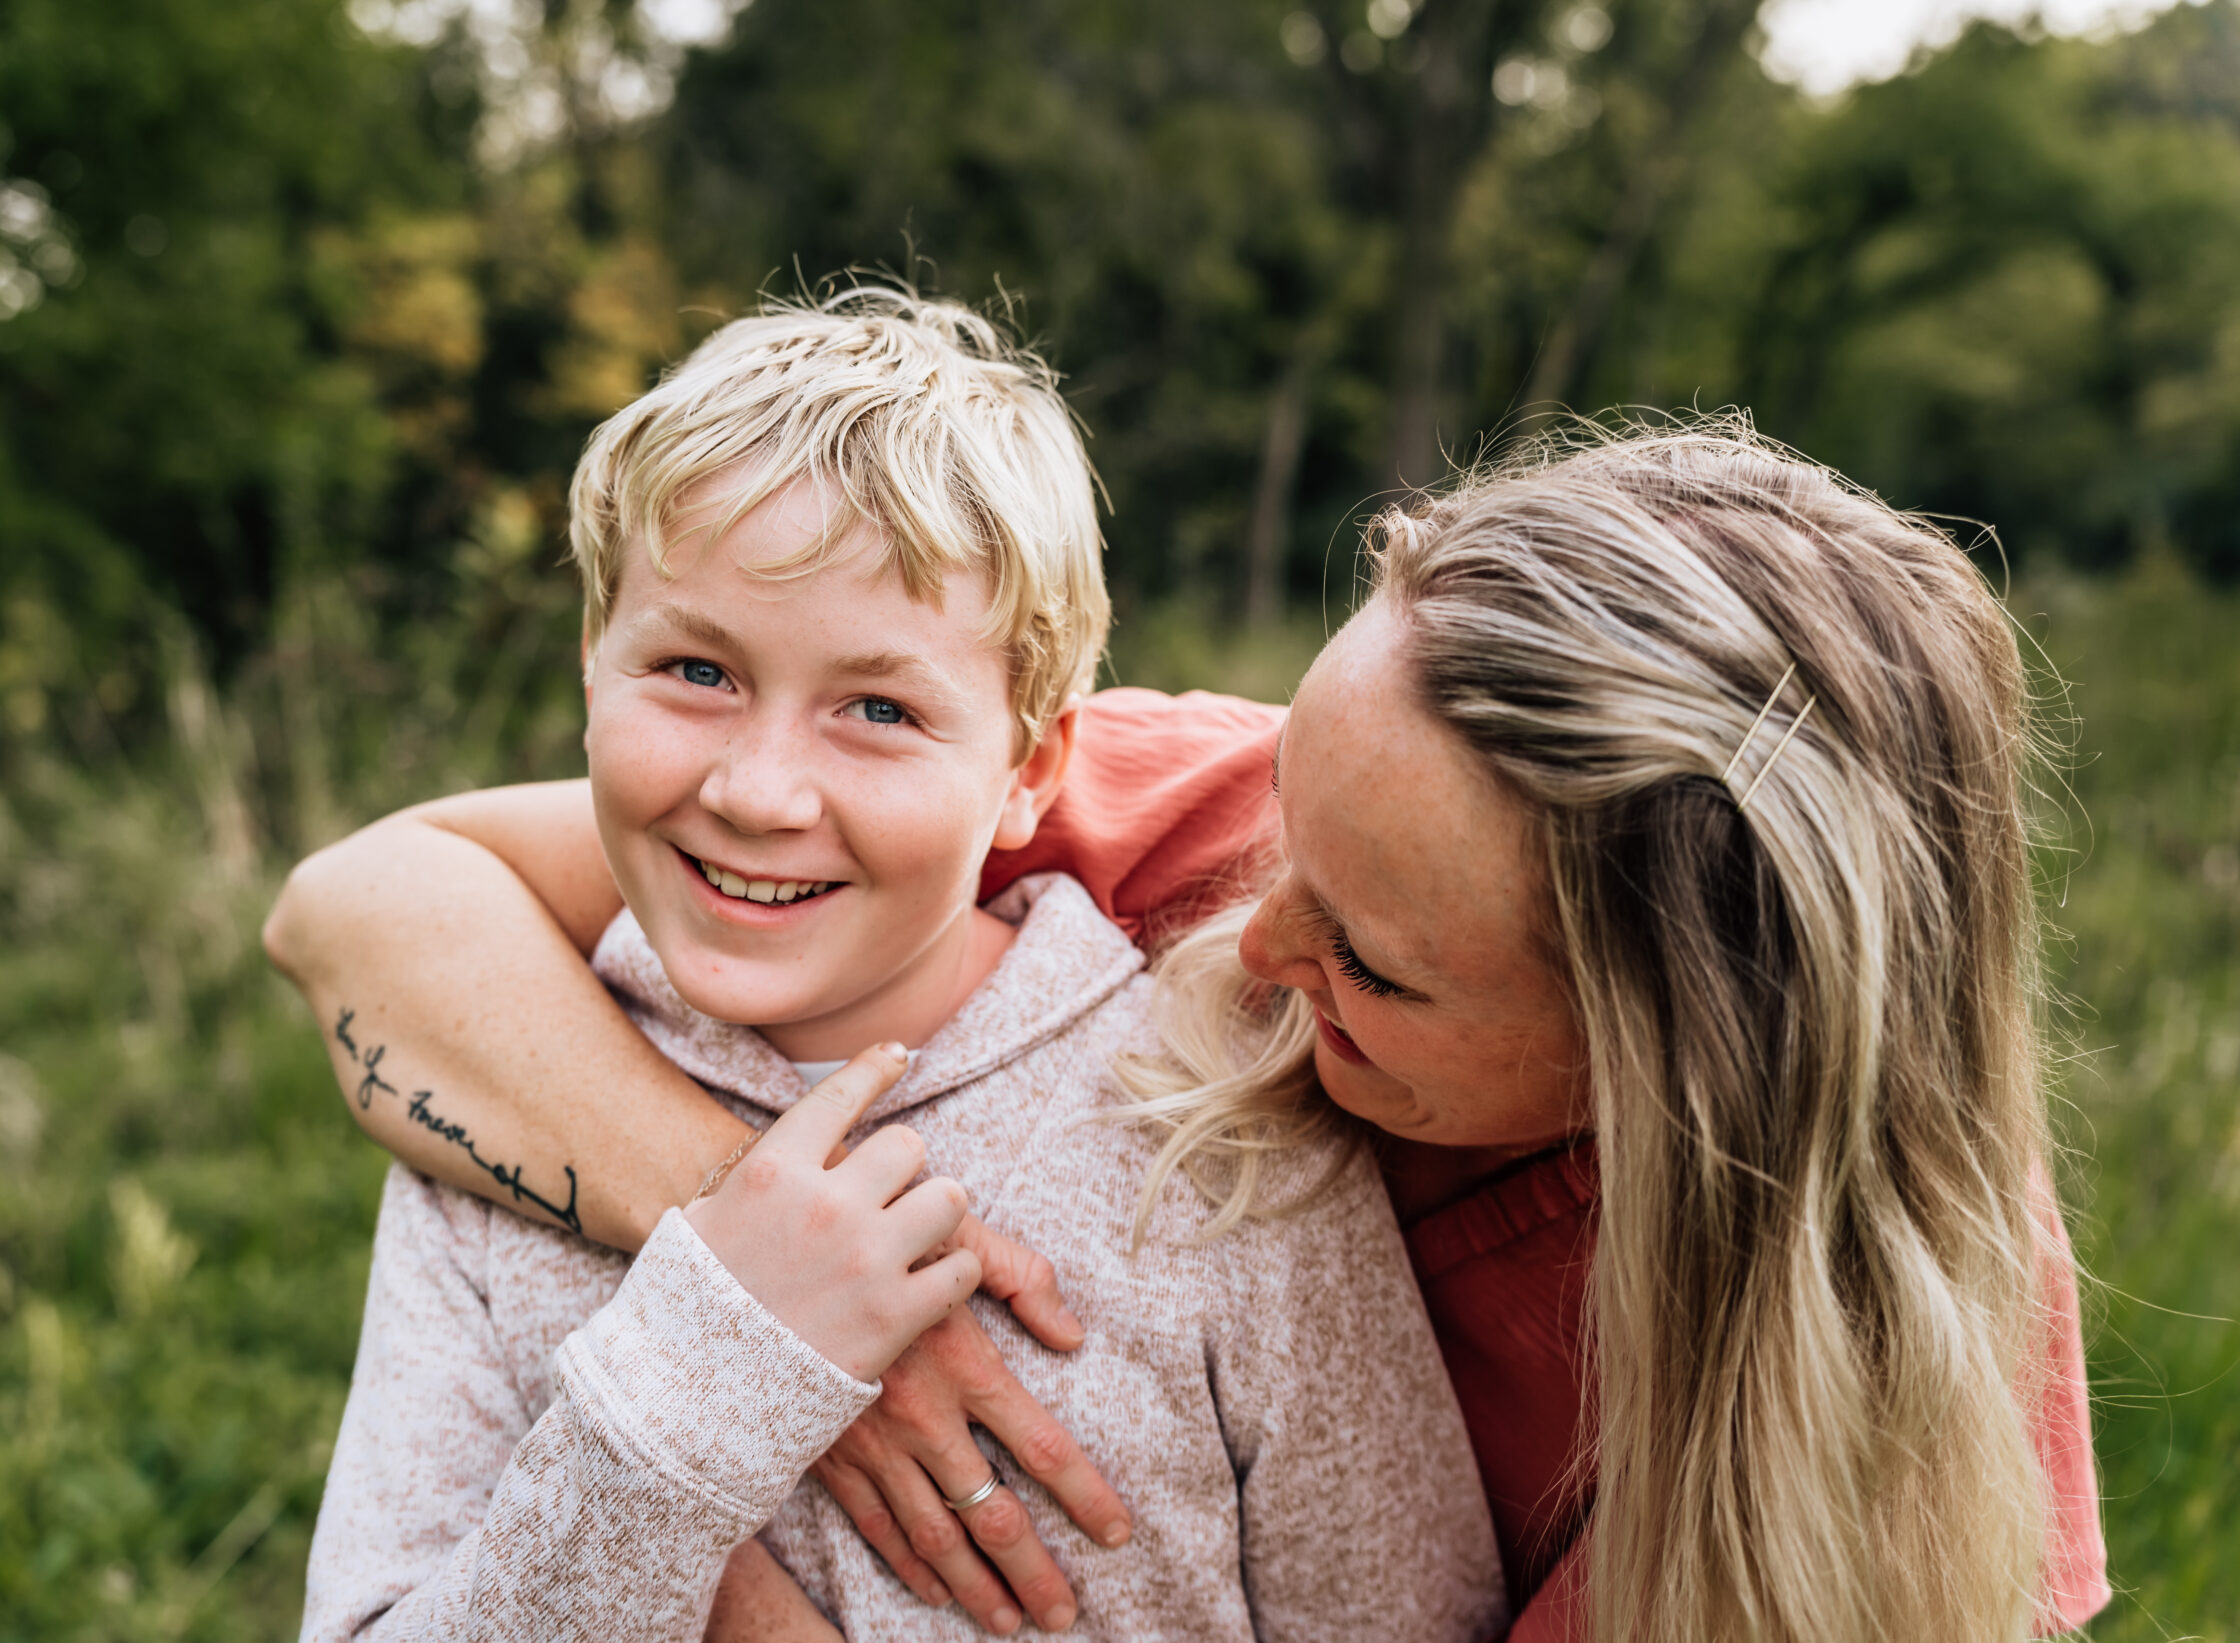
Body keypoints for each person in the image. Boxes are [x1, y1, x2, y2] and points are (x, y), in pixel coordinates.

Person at [269, 420, 2113, 1641]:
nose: (1251, 938)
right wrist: (771, 1299)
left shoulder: (1855, 1410)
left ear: (1671, 1078)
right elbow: (366, 912)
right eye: (1285, 838)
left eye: (1374, 964)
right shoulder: (1202, 805)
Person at [294, 292, 1507, 1642]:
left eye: (879, 709)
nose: (758, 792)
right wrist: (694, 1390)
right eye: (695, 669)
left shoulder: (1224, 1141)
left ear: (1030, 771)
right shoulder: (497, 1104)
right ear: (593, 671)